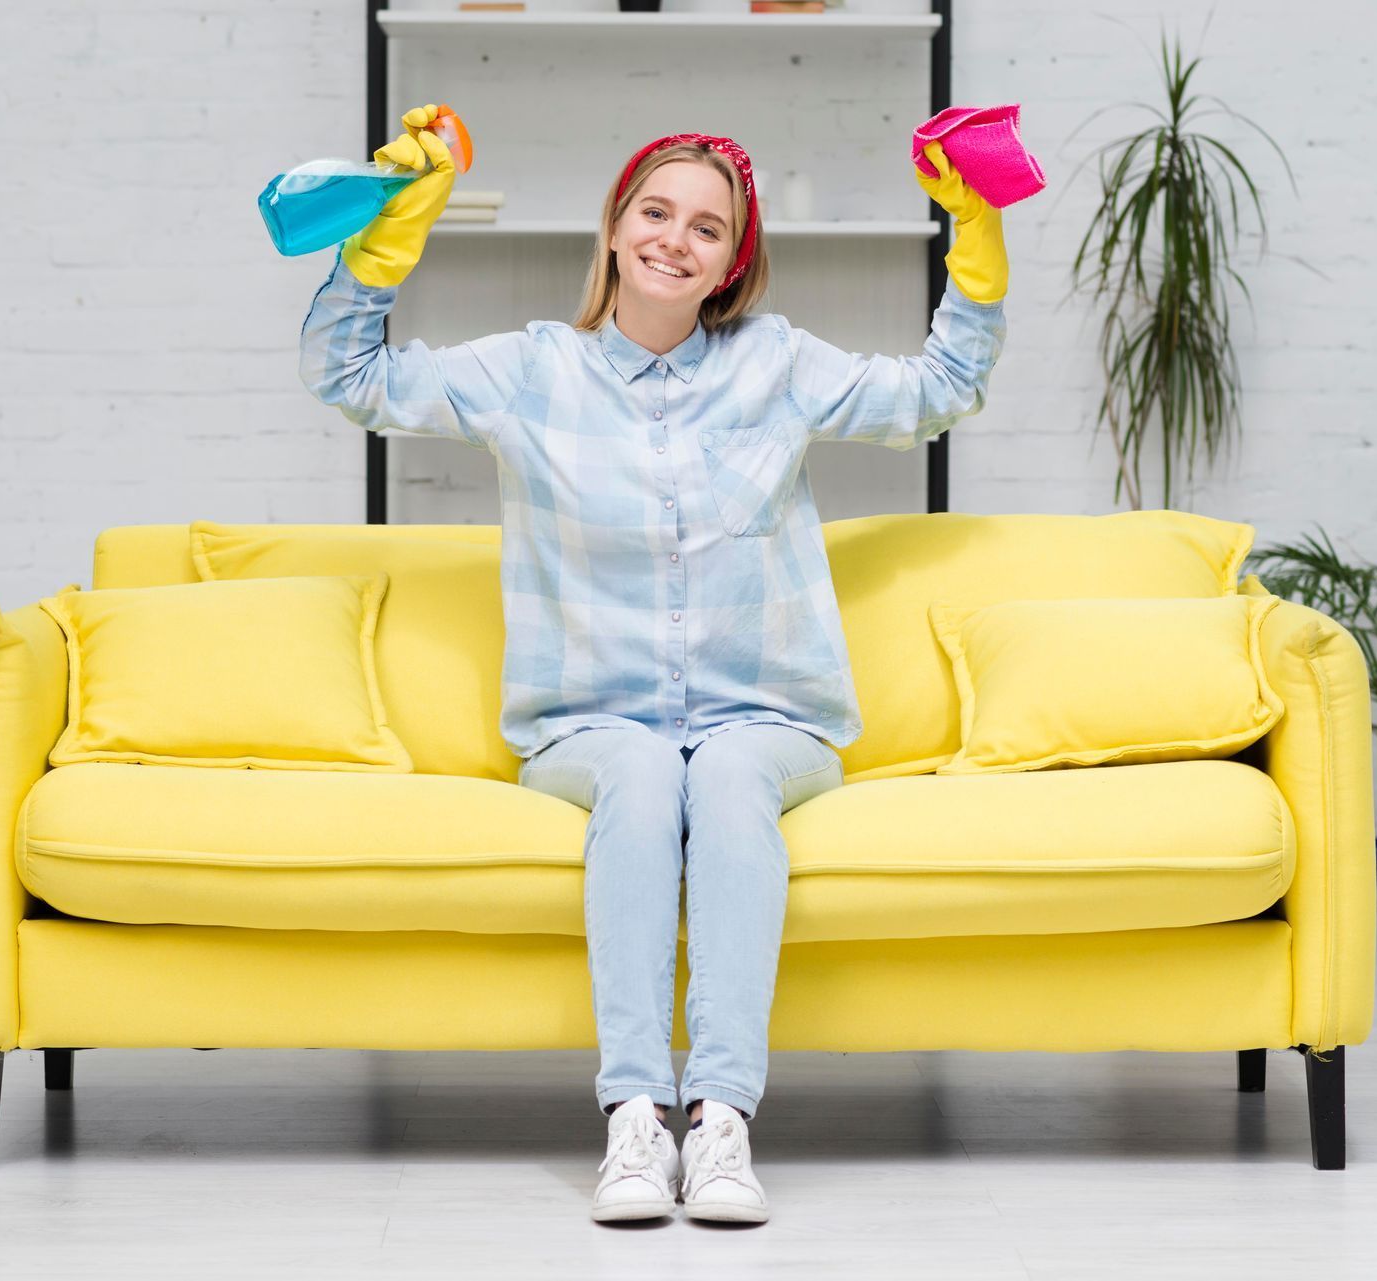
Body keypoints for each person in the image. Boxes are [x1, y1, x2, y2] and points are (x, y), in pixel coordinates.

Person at [299, 104, 1010, 1225]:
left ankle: (719, 1121)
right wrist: (380, 249)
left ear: (735, 262)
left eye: (708, 229)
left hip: (765, 716)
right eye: (656, 212)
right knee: (639, 774)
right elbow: (354, 381)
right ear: (617, 228)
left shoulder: (775, 364)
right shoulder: (533, 372)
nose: (676, 239)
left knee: (722, 776)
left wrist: (974, 252)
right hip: (590, 724)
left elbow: (936, 394)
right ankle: (636, 1118)